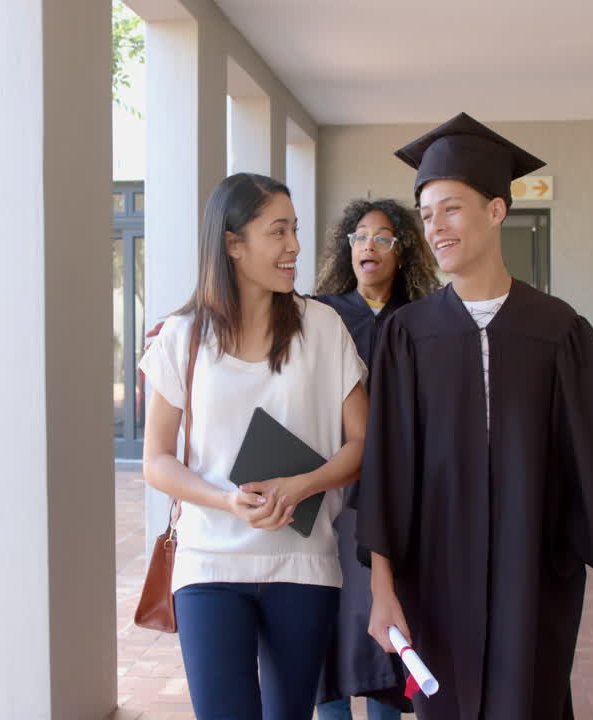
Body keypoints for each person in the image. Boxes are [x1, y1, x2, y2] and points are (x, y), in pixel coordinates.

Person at [356, 112, 593, 719]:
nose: (436, 228)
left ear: (497, 210)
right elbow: (386, 469)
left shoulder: (557, 329)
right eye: (426, 217)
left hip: (530, 568)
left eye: (451, 209)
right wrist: (381, 589)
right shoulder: (407, 334)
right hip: (438, 573)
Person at [138, 172, 370, 720]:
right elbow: (157, 460)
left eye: (294, 231)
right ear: (233, 243)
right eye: (278, 232)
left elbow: (364, 441)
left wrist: (303, 485)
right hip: (209, 563)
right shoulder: (182, 336)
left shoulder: (323, 328)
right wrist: (226, 500)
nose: (294, 247)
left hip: (303, 564)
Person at [312, 198, 440, 720]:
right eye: (360, 236)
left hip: (400, 494)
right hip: (336, 491)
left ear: (401, 249)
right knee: (333, 627)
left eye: (382, 237)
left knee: (387, 627)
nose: (369, 245)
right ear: (349, 248)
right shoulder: (320, 316)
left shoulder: (424, 321)